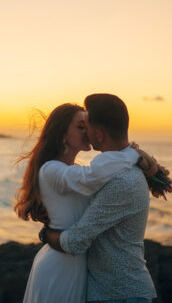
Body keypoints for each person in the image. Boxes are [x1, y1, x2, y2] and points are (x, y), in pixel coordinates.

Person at [15, 101, 157, 303]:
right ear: (63, 134)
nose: (87, 132)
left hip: (80, 268)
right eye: (80, 127)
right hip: (60, 264)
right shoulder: (52, 170)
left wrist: (139, 157)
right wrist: (133, 153)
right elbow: (93, 176)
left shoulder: (79, 170)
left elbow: (98, 176)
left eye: (87, 126)